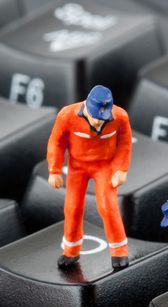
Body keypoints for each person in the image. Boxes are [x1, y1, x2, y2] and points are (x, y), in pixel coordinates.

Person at [46, 84, 132, 269]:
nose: (99, 122)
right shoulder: (67, 115)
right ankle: (71, 250)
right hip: (77, 167)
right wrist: (54, 170)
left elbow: (124, 143)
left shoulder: (120, 117)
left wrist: (121, 169)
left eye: (103, 118)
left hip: (105, 166)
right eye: (96, 117)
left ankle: (119, 251)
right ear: (86, 106)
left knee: (108, 206)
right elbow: (56, 142)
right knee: (73, 208)